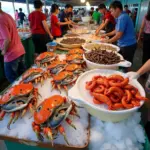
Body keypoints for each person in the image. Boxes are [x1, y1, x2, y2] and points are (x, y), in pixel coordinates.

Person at [0, 2, 26, 83]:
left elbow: (7, 39)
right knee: (24, 77)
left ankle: (20, 94)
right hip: (20, 50)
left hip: (11, 54)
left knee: (12, 78)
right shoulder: (8, 16)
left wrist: (4, 51)